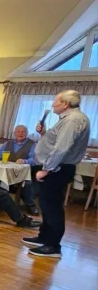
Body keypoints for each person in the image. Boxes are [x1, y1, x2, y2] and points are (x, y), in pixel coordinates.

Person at [24, 91, 90, 258]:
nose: (53, 104)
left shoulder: (72, 120)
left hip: (57, 169)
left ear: (65, 104)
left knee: (52, 207)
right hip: (56, 167)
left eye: (55, 101)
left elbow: (62, 148)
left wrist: (46, 169)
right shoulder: (69, 119)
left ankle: (52, 246)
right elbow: (56, 142)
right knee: (46, 205)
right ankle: (44, 237)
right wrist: (43, 134)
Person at [0, 124, 39, 214]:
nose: (20, 133)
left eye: (23, 132)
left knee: (28, 183)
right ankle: (0, 201)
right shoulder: (7, 143)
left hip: (23, 173)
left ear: (27, 133)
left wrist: (24, 161)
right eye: (18, 131)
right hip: (6, 171)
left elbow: (34, 160)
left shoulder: (32, 144)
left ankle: (30, 205)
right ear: (14, 133)